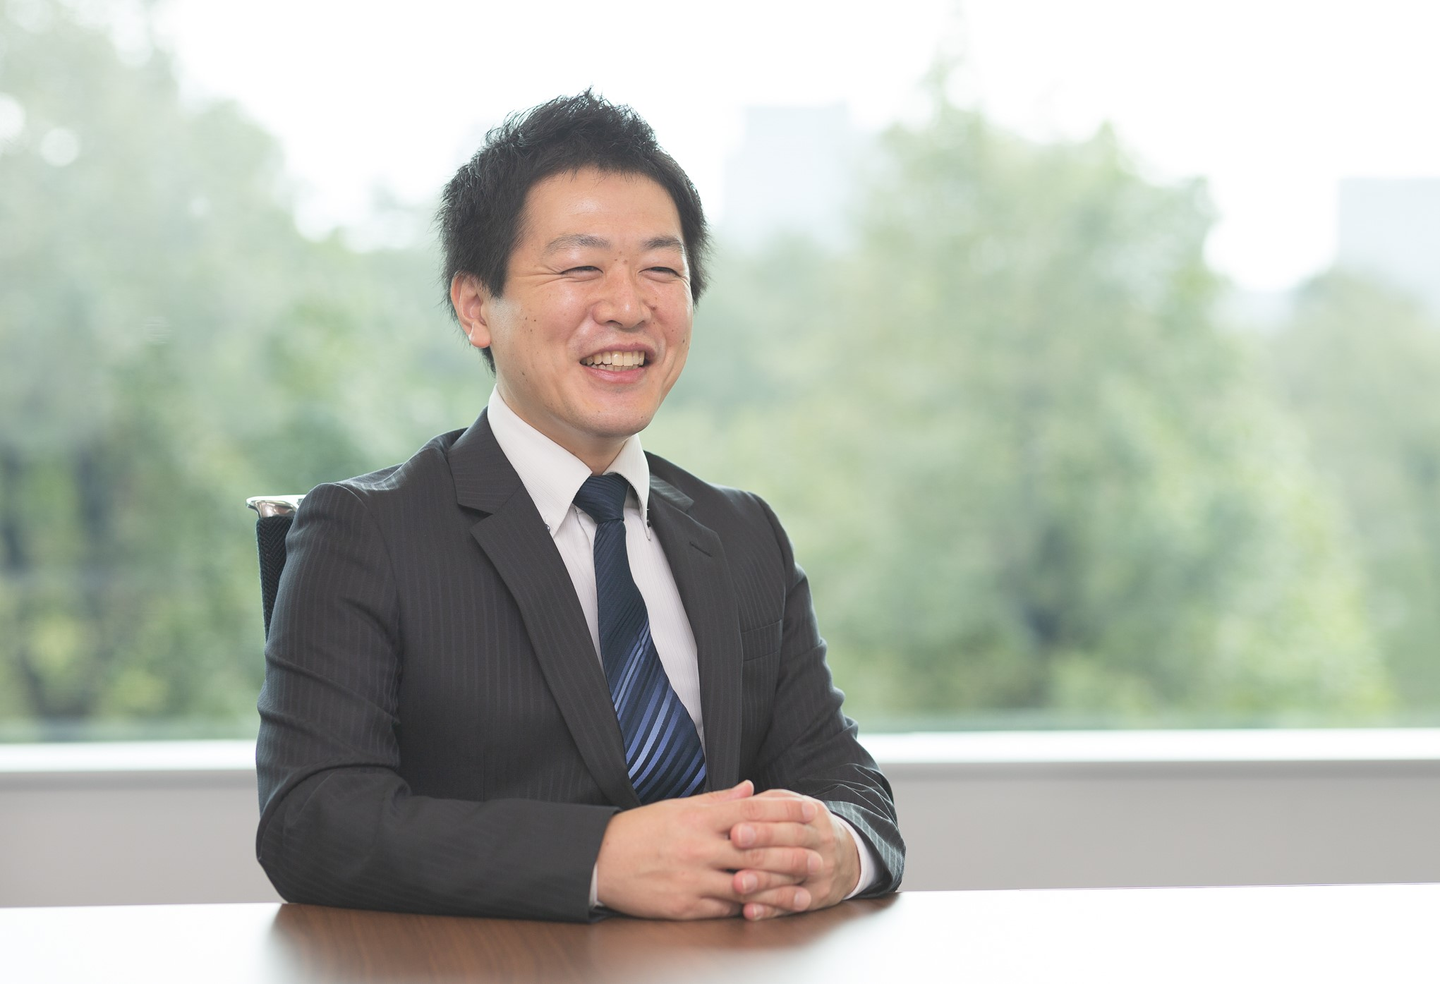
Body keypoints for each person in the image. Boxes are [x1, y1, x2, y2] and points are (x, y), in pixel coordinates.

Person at [255, 91, 904, 923]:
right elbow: (313, 824)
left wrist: (839, 849)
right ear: (475, 306)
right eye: (580, 269)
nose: (629, 306)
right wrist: (598, 859)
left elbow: (845, 782)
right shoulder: (366, 532)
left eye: (661, 270)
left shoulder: (743, 534)